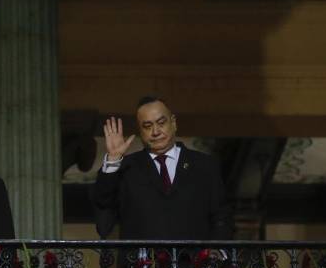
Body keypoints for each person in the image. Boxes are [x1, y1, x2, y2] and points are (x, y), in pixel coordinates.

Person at [93, 96, 233, 240]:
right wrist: (114, 159)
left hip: (194, 261)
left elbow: (222, 216)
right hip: (140, 261)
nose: (155, 131)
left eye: (161, 123)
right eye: (147, 126)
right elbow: (103, 205)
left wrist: (218, 251)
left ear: (173, 123)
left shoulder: (204, 165)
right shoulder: (127, 167)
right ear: (140, 131)